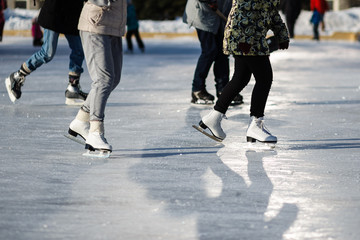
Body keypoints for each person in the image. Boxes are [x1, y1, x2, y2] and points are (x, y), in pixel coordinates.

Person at [195, 0, 289, 145]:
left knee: (241, 78)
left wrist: (281, 35)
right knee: (264, 78)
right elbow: (243, 11)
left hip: (248, 38)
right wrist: (244, 40)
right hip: (246, 39)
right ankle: (255, 125)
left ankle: (213, 118)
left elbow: (270, 11)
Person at [67, 0, 126, 156]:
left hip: (114, 26)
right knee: (103, 79)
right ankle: (95, 131)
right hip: (95, 23)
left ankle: (81, 120)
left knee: (113, 79)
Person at [5, 0, 87, 106]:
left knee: (78, 50)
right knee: (47, 52)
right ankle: (17, 76)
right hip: (55, 11)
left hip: (72, 12)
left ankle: (73, 87)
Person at [183, 0, 243, 105]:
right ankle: (197, 90)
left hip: (220, 15)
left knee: (223, 52)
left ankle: (224, 90)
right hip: (203, 13)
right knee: (210, 51)